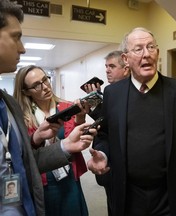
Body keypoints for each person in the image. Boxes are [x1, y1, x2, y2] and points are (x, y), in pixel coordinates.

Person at [87, 27, 176, 216]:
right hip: (126, 191)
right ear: (126, 59)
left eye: (151, 47)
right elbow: (105, 134)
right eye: (138, 49)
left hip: (166, 192)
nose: (146, 54)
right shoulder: (113, 93)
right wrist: (103, 155)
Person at [0, 1, 96, 215]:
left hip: (61, 180)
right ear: (26, 92)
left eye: (46, 80)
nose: (23, 47)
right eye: (16, 37)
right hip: (43, 184)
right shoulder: (21, 114)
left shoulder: (9, 106)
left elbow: (23, 159)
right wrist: (37, 140)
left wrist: (77, 127)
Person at [14, 65, 90, 216]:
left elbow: (73, 141)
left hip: (68, 175)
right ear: (26, 91)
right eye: (36, 85)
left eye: (45, 80)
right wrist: (38, 137)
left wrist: (80, 118)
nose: (45, 87)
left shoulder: (66, 107)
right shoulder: (22, 117)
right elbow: (22, 152)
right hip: (42, 179)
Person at [83, 50, 130, 216]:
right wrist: (94, 97)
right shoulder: (109, 92)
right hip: (107, 158)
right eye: (106, 66)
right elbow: (105, 122)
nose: (107, 70)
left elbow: (111, 124)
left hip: (124, 163)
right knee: (114, 205)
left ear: (126, 69)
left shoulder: (132, 94)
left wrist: (95, 100)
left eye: (112, 66)